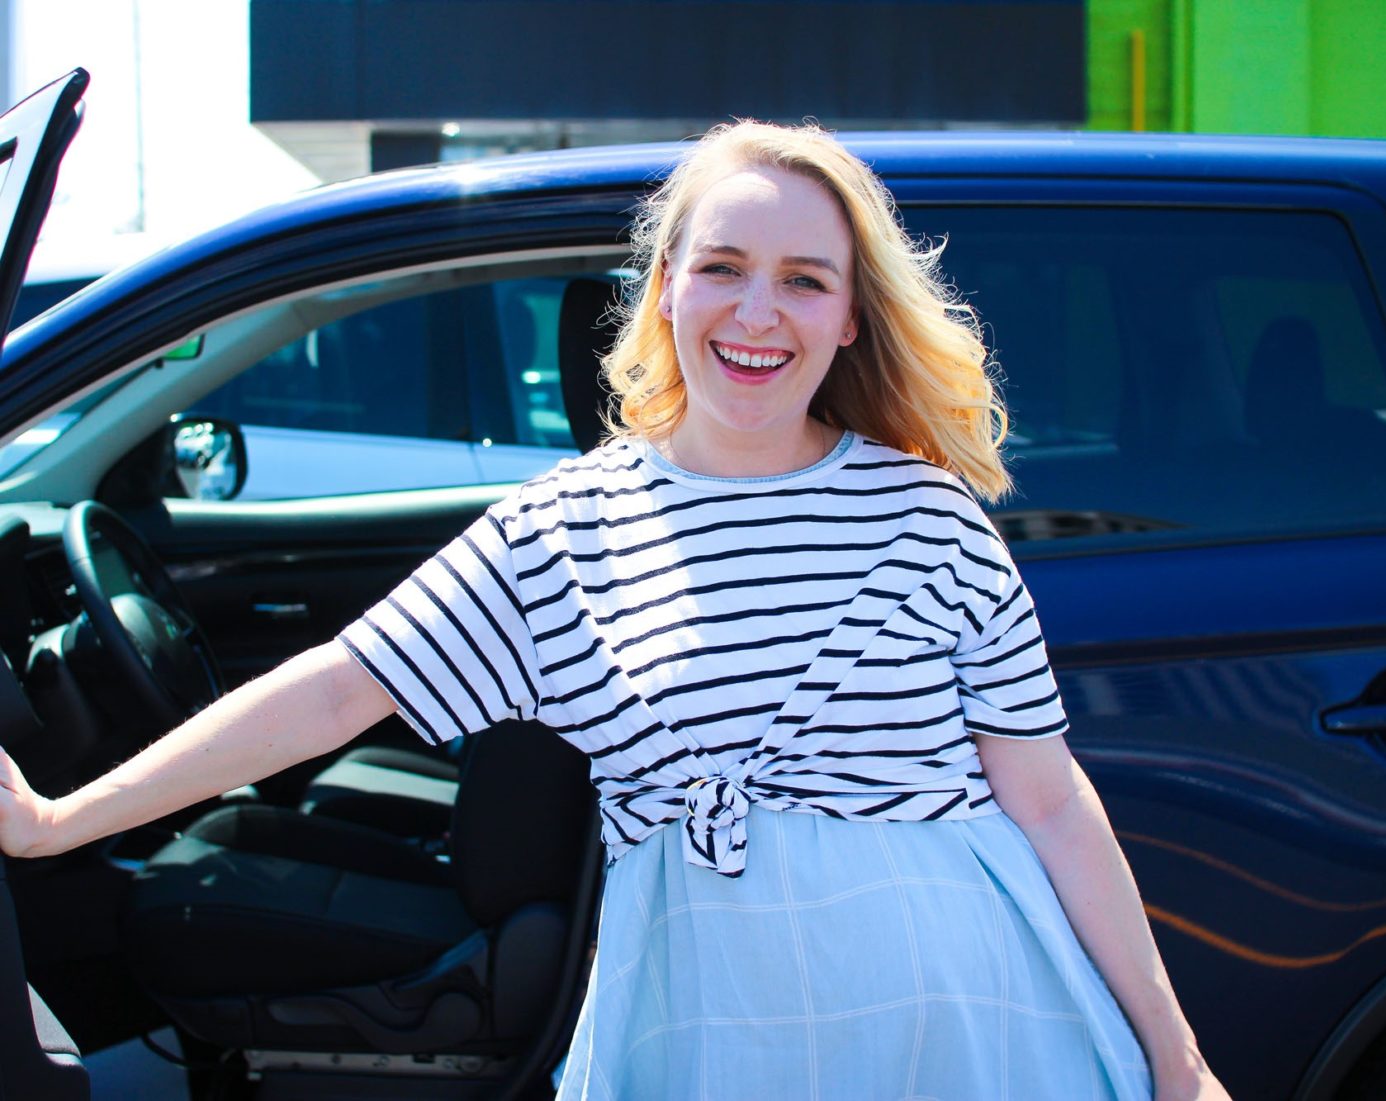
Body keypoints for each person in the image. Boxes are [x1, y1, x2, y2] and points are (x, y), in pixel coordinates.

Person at [0, 121, 1228, 1100]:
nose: (759, 313)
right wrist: (62, 821)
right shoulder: (567, 529)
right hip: (705, 1021)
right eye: (724, 268)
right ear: (666, 293)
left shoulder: (932, 519)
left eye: (805, 280)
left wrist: (1176, 1058)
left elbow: (1052, 803)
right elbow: (334, 687)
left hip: (959, 1015)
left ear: (850, 318)